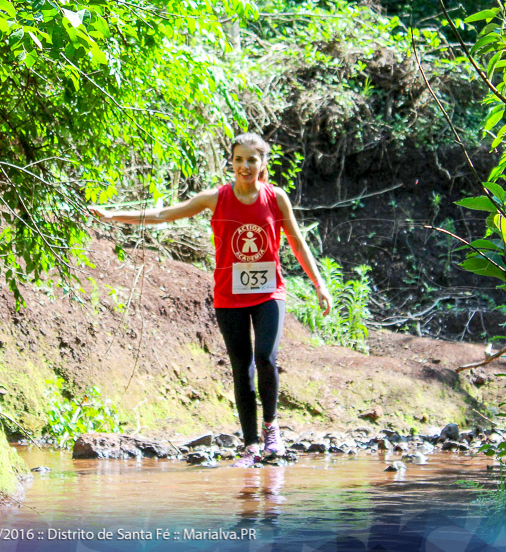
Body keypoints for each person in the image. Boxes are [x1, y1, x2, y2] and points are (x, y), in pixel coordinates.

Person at [90, 133, 333, 467]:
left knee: (265, 357)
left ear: (262, 163)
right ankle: (250, 446)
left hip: (268, 293)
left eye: (251, 160)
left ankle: (271, 429)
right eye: (238, 159)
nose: (245, 166)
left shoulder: (276, 198)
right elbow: (163, 214)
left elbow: (297, 242)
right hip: (229, 296)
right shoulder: (215, 199)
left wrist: (319, 283)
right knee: (241, 369)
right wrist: (113, 216)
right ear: (231, 162)